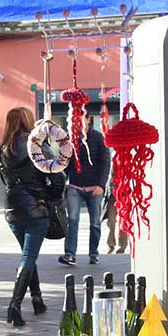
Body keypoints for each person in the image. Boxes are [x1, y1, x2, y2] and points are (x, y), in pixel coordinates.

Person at [0, 105, 65, 327]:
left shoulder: (2, 150)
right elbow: (56, 176)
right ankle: (14, 307)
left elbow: (4, 180)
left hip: (12, 210)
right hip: (36, 208)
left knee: (29, 255)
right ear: (28, 121)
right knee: (28, 257)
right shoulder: (35, 145)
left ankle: (37, 299)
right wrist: (51, 195)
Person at [60, 113, 111, 266]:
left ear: (88, 119)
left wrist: (101, 185)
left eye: (81, 117)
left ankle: (93, 253)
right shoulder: (70, 139)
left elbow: (105, 163)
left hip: (94, 188)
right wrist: (62, 186)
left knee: (95, 223)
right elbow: (64, 163)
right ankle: (70, 254)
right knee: (72, 220)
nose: (78, 121)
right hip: (74, 186)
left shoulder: (98, 137)